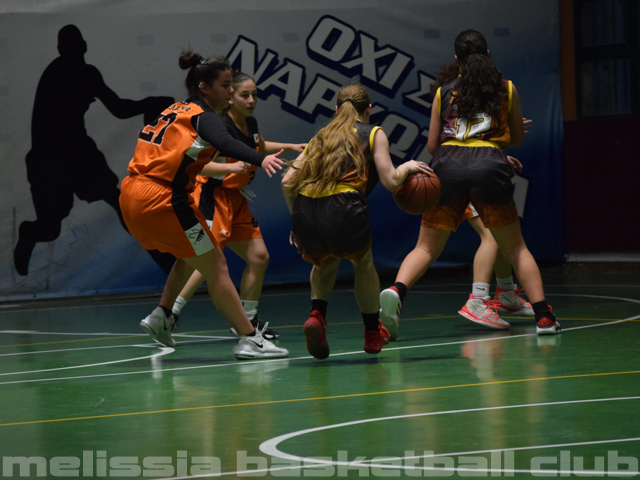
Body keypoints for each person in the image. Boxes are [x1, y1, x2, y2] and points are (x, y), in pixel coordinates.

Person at [379, 30, 560, 340]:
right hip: (489, 165)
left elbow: (433, 146)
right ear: (488, 54)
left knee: (425, 248)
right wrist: (497, 139)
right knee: (516, 248)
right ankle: (543, 317)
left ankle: (397, 290)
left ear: (456, 60)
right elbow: (516, 139)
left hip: (447, 165)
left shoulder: (443, 92)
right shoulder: (506, 89)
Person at [119, 51, 289, 359]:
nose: (230, 91)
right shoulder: (205, 116)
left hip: (131, 194)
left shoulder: (175, 109)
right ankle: (249, 339)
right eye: (225, 85)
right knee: (216, 266)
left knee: (192, 256)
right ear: (204, 88)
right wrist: (261, 159)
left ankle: (162, 316)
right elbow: (226, 143)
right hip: (163, 199)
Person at [282, 84, 432, 359]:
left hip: (306, 208)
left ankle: (316, 315)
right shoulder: (374, 133)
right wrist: (407, 167)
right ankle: (372, 333)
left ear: (336, 109)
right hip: (343, 207)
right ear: (368, 109)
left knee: (324, 261)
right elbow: (391, 180)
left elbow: (287, 180)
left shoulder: (321, 135)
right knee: (363, 264)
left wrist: (296, 222)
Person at [13, 24, 176, 276]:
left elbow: (119, 108)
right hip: (53, 156)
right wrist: (150, 103)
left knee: (115, 201)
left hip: (68, 152)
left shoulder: (62, 71)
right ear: (81, 47)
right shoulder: (79, 73)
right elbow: (119, 109)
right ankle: (29, 232)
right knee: (52, 227)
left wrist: (149, 105)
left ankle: (166, 262)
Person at [171, 71, 305, 340]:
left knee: (259, 258)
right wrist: (230, 167)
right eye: (245, 95)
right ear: (230, 97)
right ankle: (170, 313)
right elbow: (199, 166)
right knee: (208, 261)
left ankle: (248, 320)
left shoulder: (250, 123)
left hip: (237, 200)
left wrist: (291, 146)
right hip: (213, 197)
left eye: (255, 94)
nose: (252, 100)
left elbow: (259, 145)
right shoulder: (218, 127)